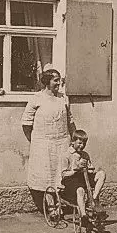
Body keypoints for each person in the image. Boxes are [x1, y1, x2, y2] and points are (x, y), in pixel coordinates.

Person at [21, 69, 75, 211]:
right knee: (47, 174)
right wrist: (35, 140)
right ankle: (51, 206)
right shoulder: (37, 98)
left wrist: (73, 139)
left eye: (59, 79)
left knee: (61, 173)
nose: (59, 83)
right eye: (55, 80)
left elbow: (70, 121)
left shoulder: (64, 98)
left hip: (63, 142)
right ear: (46, 82)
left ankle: (61, 203)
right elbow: (26, 123)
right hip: (43, 144)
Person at [61, 130, 107, 228]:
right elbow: (64, 173)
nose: (82, 146)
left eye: (84, 143)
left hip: (84, 176)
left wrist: (89, 169)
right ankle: (83, 215)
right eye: (80, 143)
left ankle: (93, 199)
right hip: (71, 179)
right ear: (73, 142)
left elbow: (91, 169)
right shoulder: (66, 155)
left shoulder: (85, 154)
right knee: (80, 190)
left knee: (101, 174)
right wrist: (75, 170)